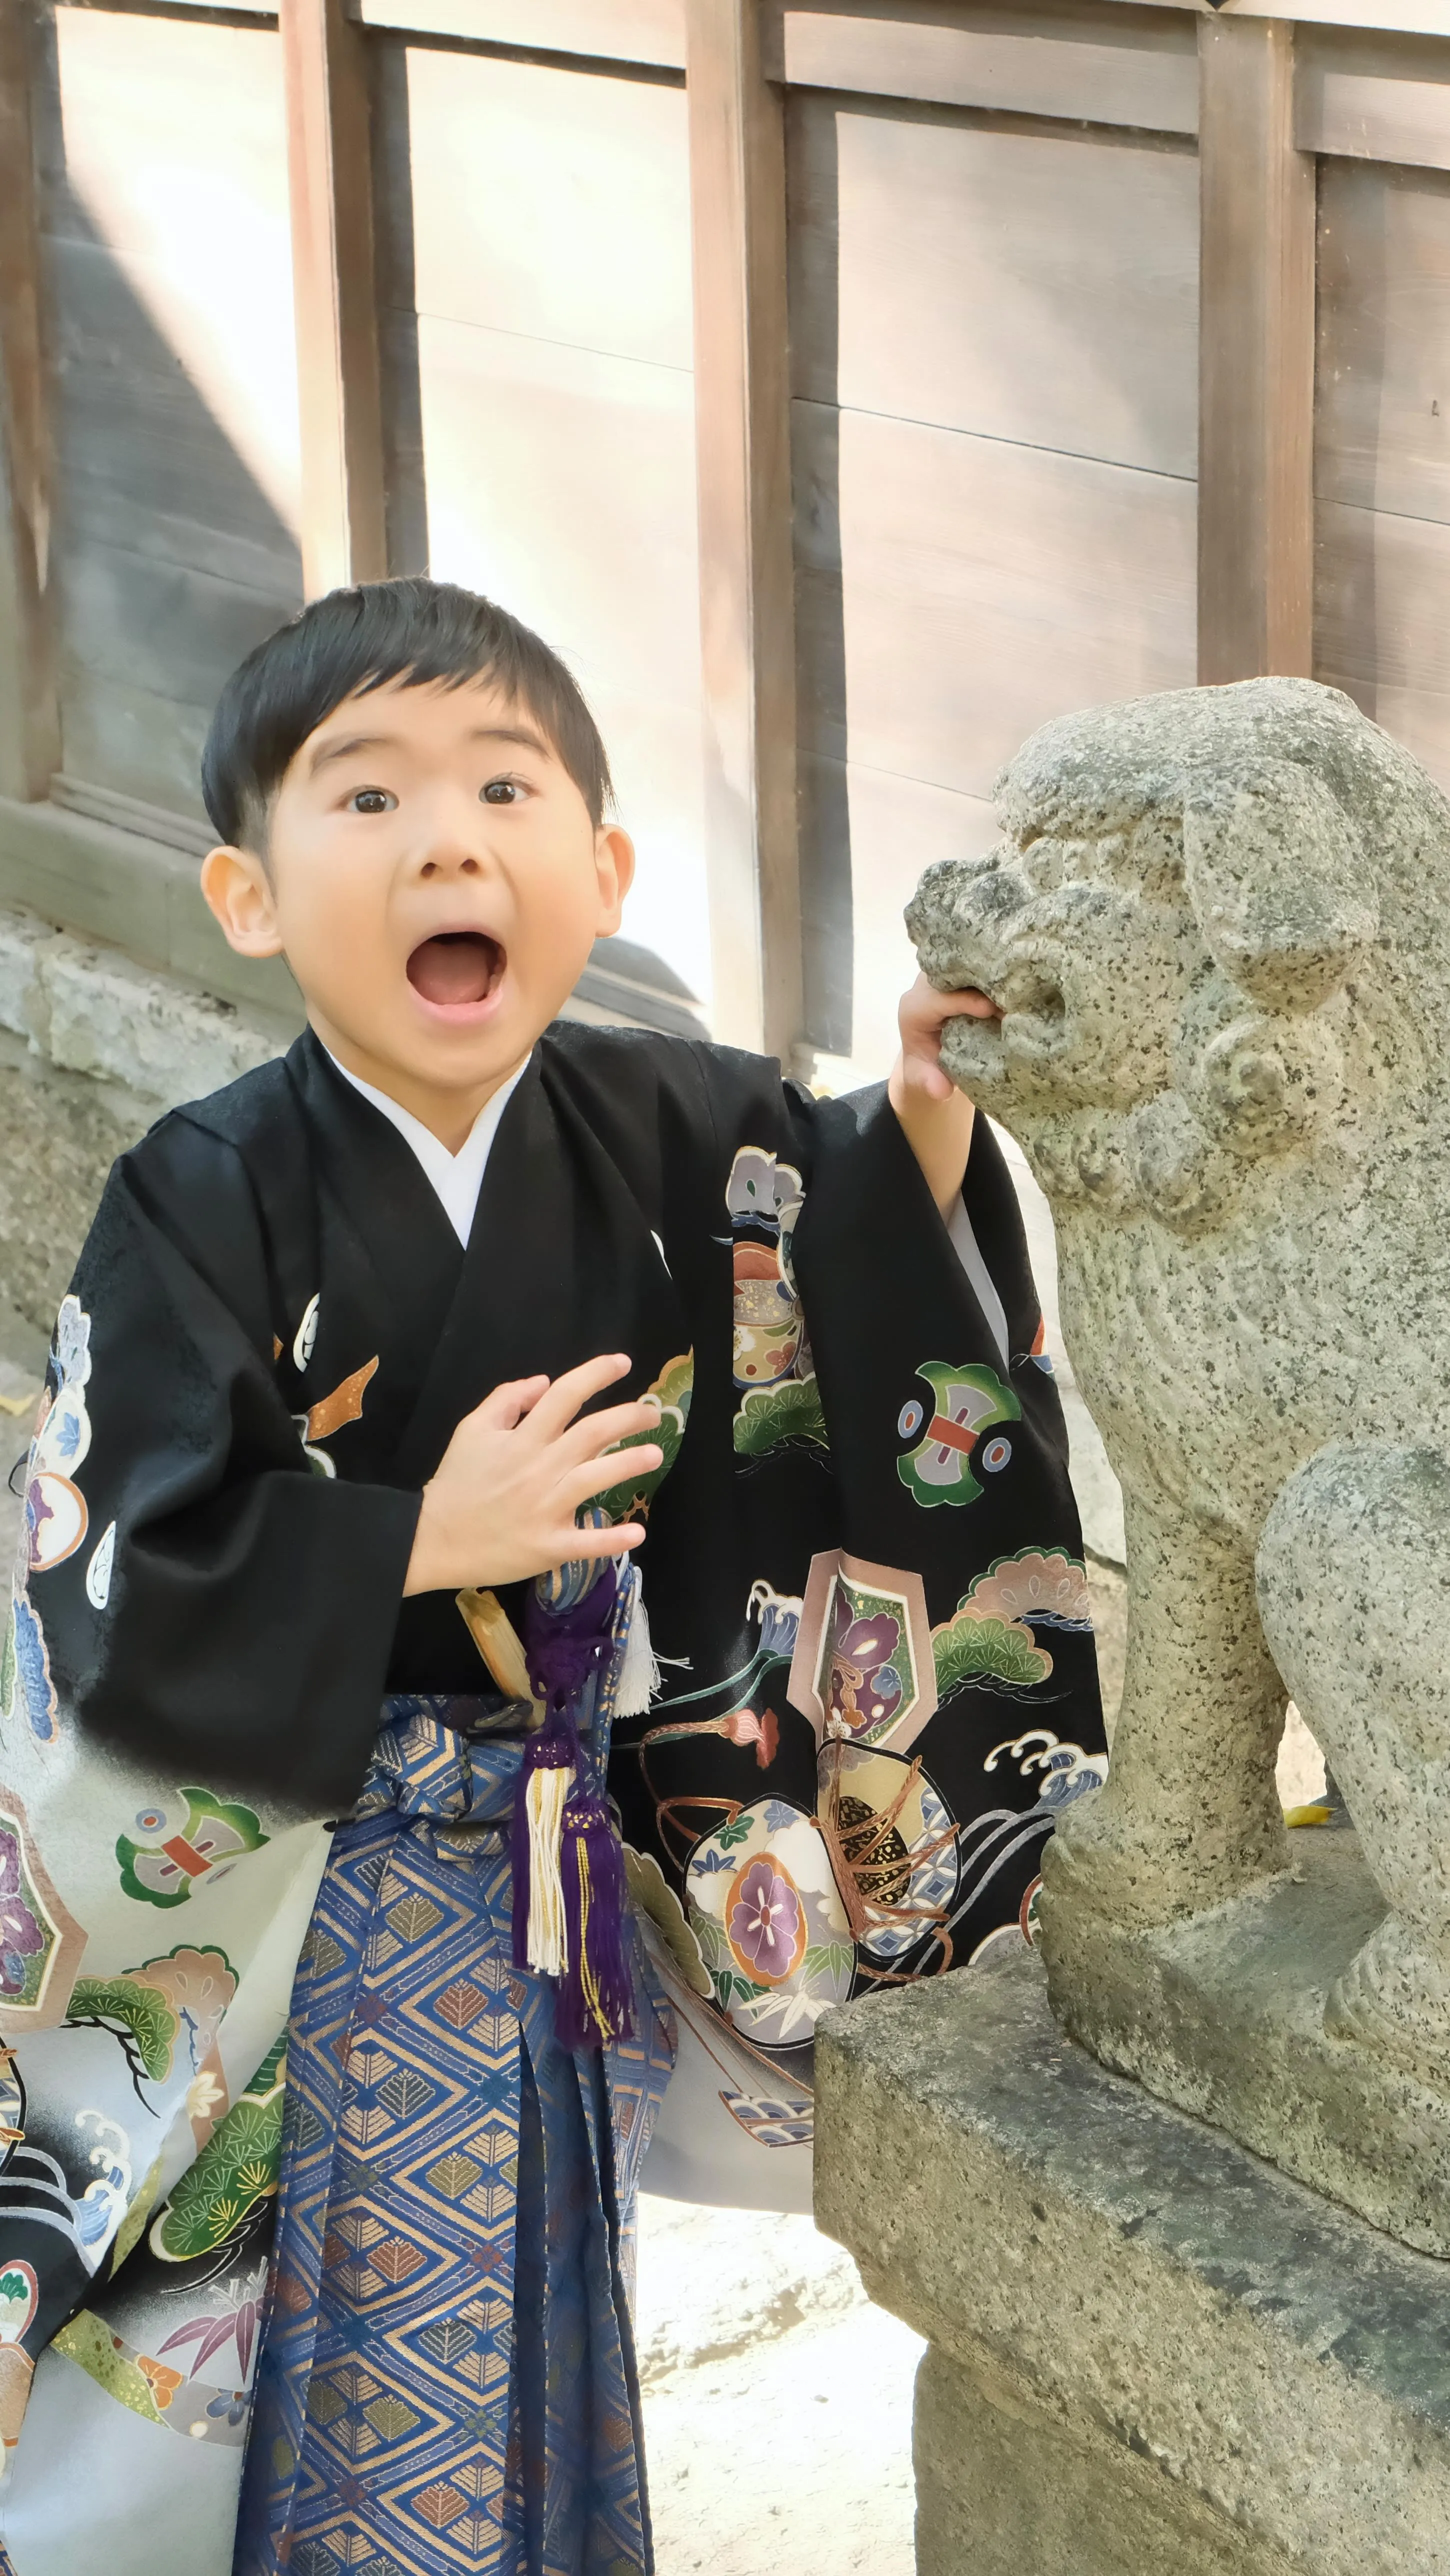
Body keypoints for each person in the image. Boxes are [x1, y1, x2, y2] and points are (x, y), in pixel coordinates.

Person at [0, 580, 1104, 2576]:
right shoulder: (198, 1191)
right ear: (247, 897)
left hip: (538, 1866)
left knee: (519, 2293)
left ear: (592, 872)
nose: (448, 837)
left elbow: (822, 1238)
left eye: (502, 786)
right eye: (368, 798)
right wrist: (421, 1538)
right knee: (309, 2360)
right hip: (294, 1888)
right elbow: (120, 1575)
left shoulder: (673, 1119)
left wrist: (925, 1128)